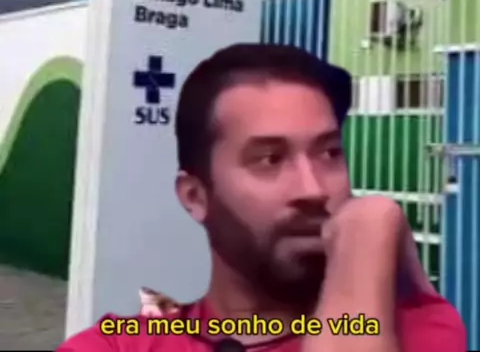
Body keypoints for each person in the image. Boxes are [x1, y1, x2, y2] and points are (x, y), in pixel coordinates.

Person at [57, 43, 467, 352]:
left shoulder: (410, 330)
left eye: (329, 153)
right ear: (196, 196)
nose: (313, 189)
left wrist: (367, 236)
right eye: (270, 159)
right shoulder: (121, 344)